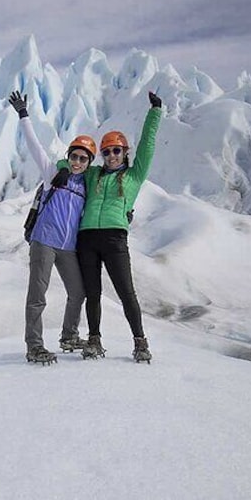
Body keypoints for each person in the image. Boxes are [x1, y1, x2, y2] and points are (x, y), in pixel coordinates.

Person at [8, 90, 96, 364]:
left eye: (83, 159)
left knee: (78, 292)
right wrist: (24, 116)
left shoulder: (87, 187)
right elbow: (35, 146)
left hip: (68, 248)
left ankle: (69, 336)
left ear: (89, 163)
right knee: (38, 296)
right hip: (43, 242)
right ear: (68, 156)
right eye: (74, 156)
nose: (77, 162)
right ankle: (34, 345)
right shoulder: (53, 175)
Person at [76, 91, 163, 363]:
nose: (111, 155)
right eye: (106, 152)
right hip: (87, 239)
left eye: (116, 150)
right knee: (92, 293)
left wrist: (155, 112)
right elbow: (73, 160)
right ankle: (94, 340)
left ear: (125, 152)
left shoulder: (134, 175)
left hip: (114, 239)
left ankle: (140, 342)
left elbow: (148, 146)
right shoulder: (93, 174)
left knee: (126, 292)